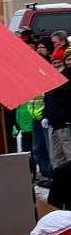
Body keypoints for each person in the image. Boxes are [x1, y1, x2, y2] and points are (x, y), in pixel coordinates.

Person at [44, 55, 71, 211]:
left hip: (65, 123)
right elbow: (49, 100)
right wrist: (46, 115)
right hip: (54, 123)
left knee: (68, 157)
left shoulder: (66, 78)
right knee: (56, 156)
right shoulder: (54, 78)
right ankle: (59, 184)